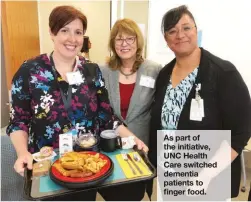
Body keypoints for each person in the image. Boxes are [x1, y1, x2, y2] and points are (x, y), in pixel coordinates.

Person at [6, 5, 148, 201]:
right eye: (64, 30)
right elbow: (18, 121)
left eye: (78, 32)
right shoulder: (29, 71)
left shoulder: (91, 71)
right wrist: (22, 153)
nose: (72, 39)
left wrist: (133, 139)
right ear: (52, 32)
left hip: (88, 161)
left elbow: (107, 117)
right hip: (49, 165)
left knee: (129, 193)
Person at [148, 5, 251, 200]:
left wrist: (205, 176)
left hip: (209, 181)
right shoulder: (163, 75)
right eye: (172, 31)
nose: (180, 35)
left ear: (196, 30)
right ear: (166, 40)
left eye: (186, 28)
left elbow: (241, 132)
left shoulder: (223, 73)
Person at [98, 18, 161, 200]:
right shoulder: (103, 71)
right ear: (113, 43)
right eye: (119, 39)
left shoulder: (154, 70)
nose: (124, 44)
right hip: (110, 145)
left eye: (130, 38)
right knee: (113, 192)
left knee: (134, 193)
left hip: (140, 144)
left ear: (138, 41)